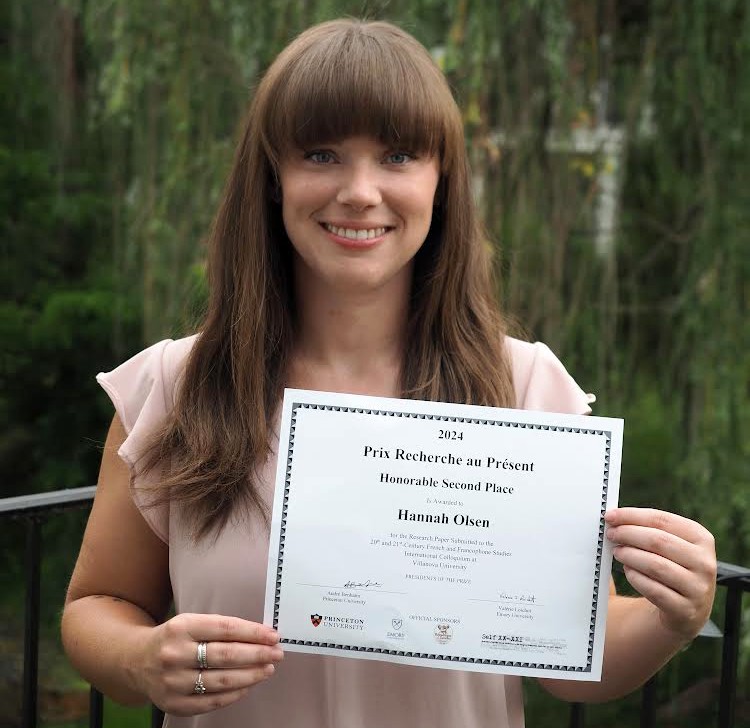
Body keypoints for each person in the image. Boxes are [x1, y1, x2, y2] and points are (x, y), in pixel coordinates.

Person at [61, 18, 717, 728]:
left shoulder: (524, 388)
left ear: (442, 181)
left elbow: (571, 664)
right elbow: (95, 606)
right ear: (273, 179)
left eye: (399, 156)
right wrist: (142, 658)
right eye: (321, 154)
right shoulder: (175, 385)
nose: (361, 192)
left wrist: (671, 618)